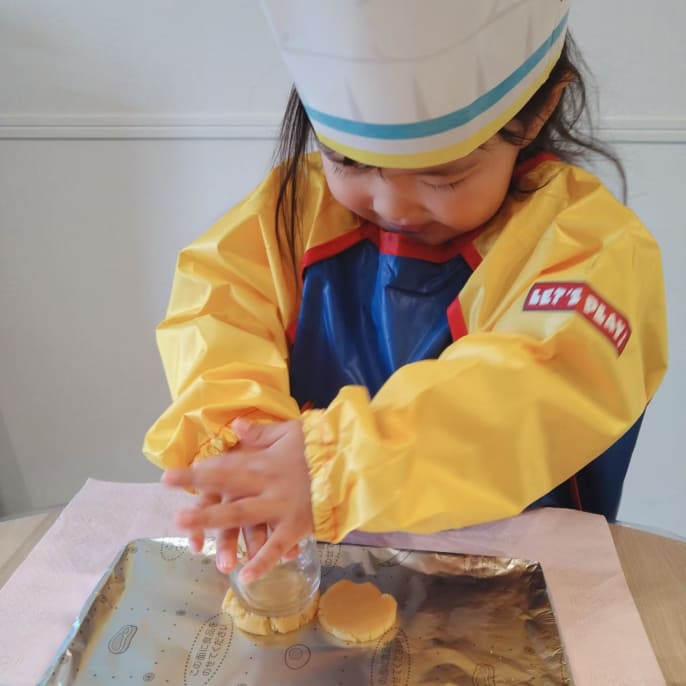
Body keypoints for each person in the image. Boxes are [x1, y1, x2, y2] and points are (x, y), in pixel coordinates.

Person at [145, 1, 667, 585]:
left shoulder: (589, 248)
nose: (391, 204)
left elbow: (528, 393)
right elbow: (217, 315)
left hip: (515, 587)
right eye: (349, 162)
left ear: (539, 110)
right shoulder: (289, 215)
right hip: (328, 571)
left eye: (443, 175)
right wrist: (245, 443)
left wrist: (333, 467)